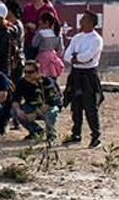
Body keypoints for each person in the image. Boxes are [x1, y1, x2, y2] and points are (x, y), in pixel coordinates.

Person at [62, 11, 104, 148]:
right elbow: (67, 55)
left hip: (88, 76)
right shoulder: (77, 37)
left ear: (91, 22)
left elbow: (87, 58)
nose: (81, 22)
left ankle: (95, 136)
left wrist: (76, 58)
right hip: (76, 75)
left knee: (90, 107)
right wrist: (76, 59)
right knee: (76, 106)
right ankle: (76, 134)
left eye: (84, 19)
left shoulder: (96, 39)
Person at [12, 58, 62, 141]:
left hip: (48, 107)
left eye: (30, 72)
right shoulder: (22, 82)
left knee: (50, 114)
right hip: (32, 106)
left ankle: (51, 134)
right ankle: (36, 131)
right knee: (14, 111)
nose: (27, 75)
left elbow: (51, 102)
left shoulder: (46, 81)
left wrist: (35, 114)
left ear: (38, 72)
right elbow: (15, 99)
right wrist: (18, 110)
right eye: (25, 72)